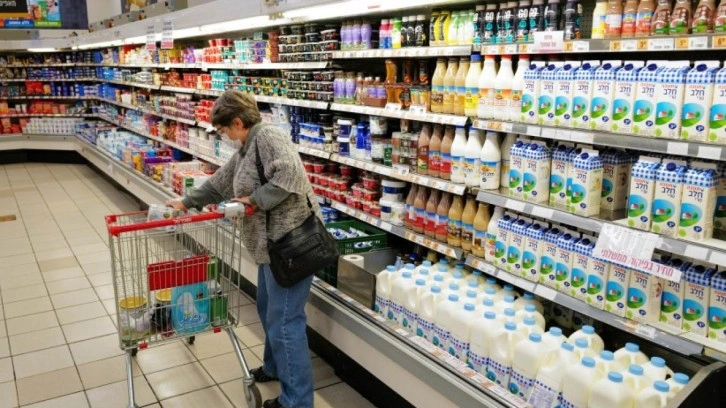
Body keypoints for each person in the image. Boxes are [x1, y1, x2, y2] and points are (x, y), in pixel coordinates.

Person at [167, 90, 318, 408]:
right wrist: (186, 202)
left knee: (285, 322)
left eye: (223, 130)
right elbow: (220, 182)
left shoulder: (269, 137)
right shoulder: (247, 148)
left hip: (291, 246)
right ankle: (274, 367)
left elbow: (289, 174)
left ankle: (297, 401)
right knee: (267, 309)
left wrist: (254, 200)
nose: (223, 136)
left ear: (237, 122)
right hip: (270, 248)